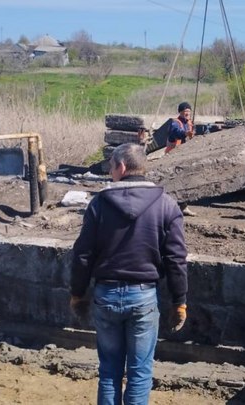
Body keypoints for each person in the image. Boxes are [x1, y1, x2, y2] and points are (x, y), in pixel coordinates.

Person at [70, 143, 189, 405]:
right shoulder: (167, 205)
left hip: (106, 295)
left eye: (111, 167)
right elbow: (176, 259)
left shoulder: (98, 204)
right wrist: (179, 301)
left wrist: (78, 294)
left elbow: (82, 255)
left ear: (122, 167)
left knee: (109, 371)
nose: (110, 172)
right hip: (144, 298)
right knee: (139, 373)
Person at [166, 102, 197, 216]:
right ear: (180, 112)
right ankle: (171, 207)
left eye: (189, 111)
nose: (187, 113)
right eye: (185, 111)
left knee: (184, 181)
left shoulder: (190, 123)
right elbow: (176, 133)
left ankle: (183, 207)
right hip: (172, 156)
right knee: (173, 181)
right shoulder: (175, 123)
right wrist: (185, 133)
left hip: (184, 156)